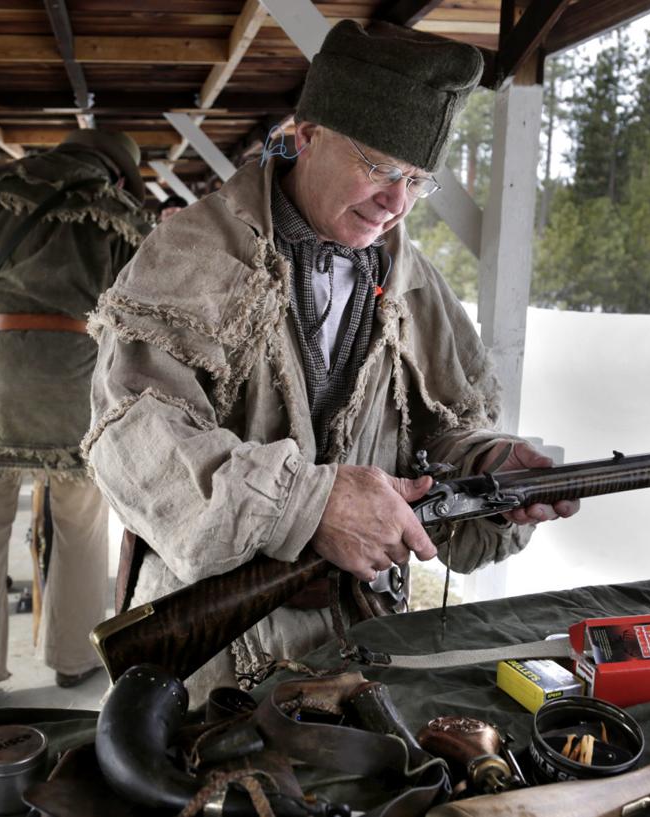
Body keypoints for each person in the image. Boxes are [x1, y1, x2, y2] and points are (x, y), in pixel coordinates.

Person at [85, 20, 578, 694]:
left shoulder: (412, 283)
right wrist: (308, 503)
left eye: (417, 179)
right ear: (307, 133)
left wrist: (487, 467)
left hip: (362, 641)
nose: (396, 202)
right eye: (378, 165)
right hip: (213, 651)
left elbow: (440, 431)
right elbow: (133, 444)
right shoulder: (194, 253)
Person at [0, 129, 152, 709]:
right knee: (81, 521)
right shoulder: (118, 212)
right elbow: (140, 307)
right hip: (74, 379)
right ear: (114, 172)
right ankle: (73, 660)